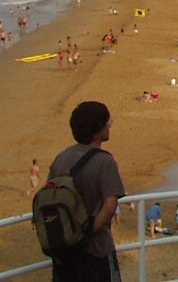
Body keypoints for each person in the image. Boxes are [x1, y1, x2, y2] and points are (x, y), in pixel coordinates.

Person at [47, 100, 126, 282]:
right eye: (107, 122)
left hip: (64, 249)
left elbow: (50, 194)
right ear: (97, 131)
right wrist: (85, 234)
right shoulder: (105, 162)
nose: (110, 125)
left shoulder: (61, 158)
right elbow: (110, 206)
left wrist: (72, 236)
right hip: (95, 249)